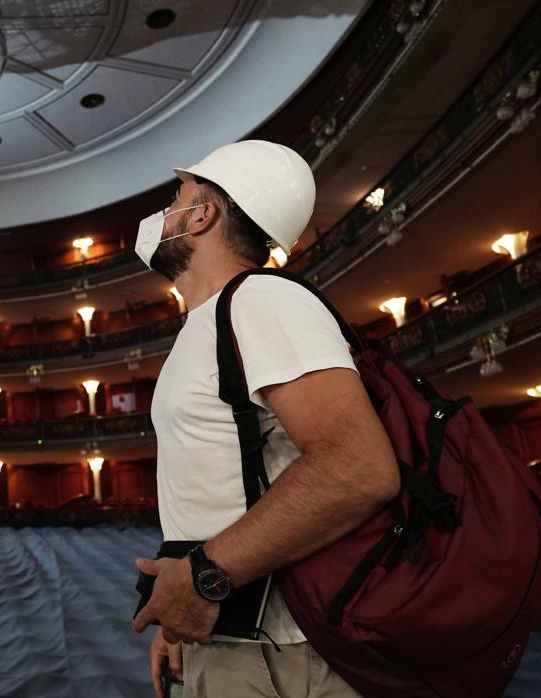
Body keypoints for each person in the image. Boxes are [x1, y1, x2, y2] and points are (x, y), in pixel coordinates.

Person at [128, 142, 400, 697]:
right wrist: (181, 613)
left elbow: (358, 468)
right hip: (230, 632)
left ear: (202, 215)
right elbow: (219, 489)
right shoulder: (212, 319)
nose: (163, 212)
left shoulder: (261, 301)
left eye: (175, 197)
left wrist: (202, 580)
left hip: (282, 650)